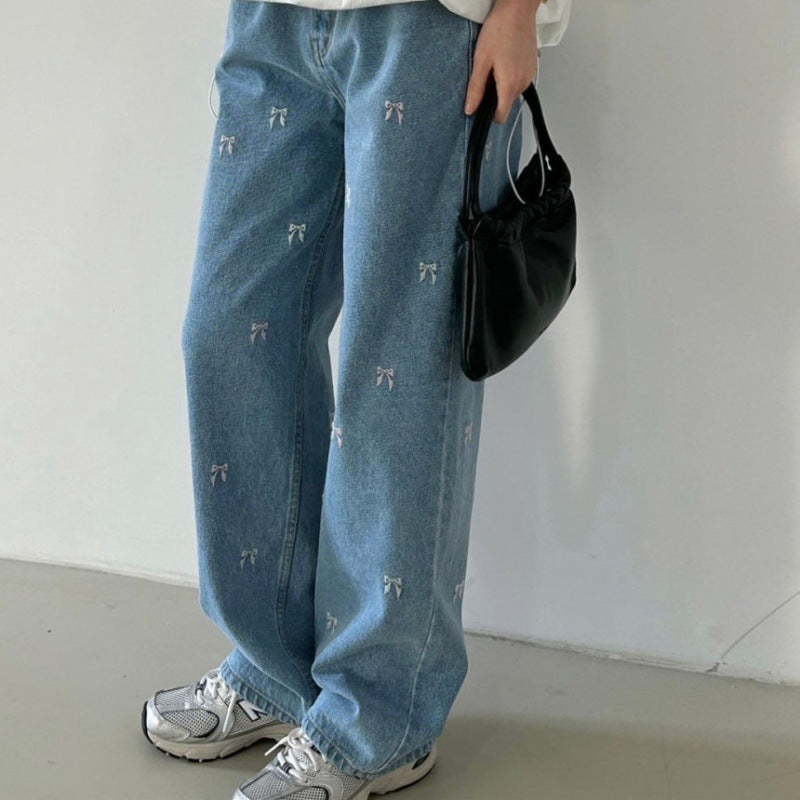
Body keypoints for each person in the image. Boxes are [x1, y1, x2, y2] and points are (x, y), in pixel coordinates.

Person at [141, 0, 571, 797]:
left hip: (432, 22)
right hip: (275, 16)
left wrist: (517, 10)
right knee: (228, 330)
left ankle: (380, 716)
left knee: (397, 364)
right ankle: (273, 668)